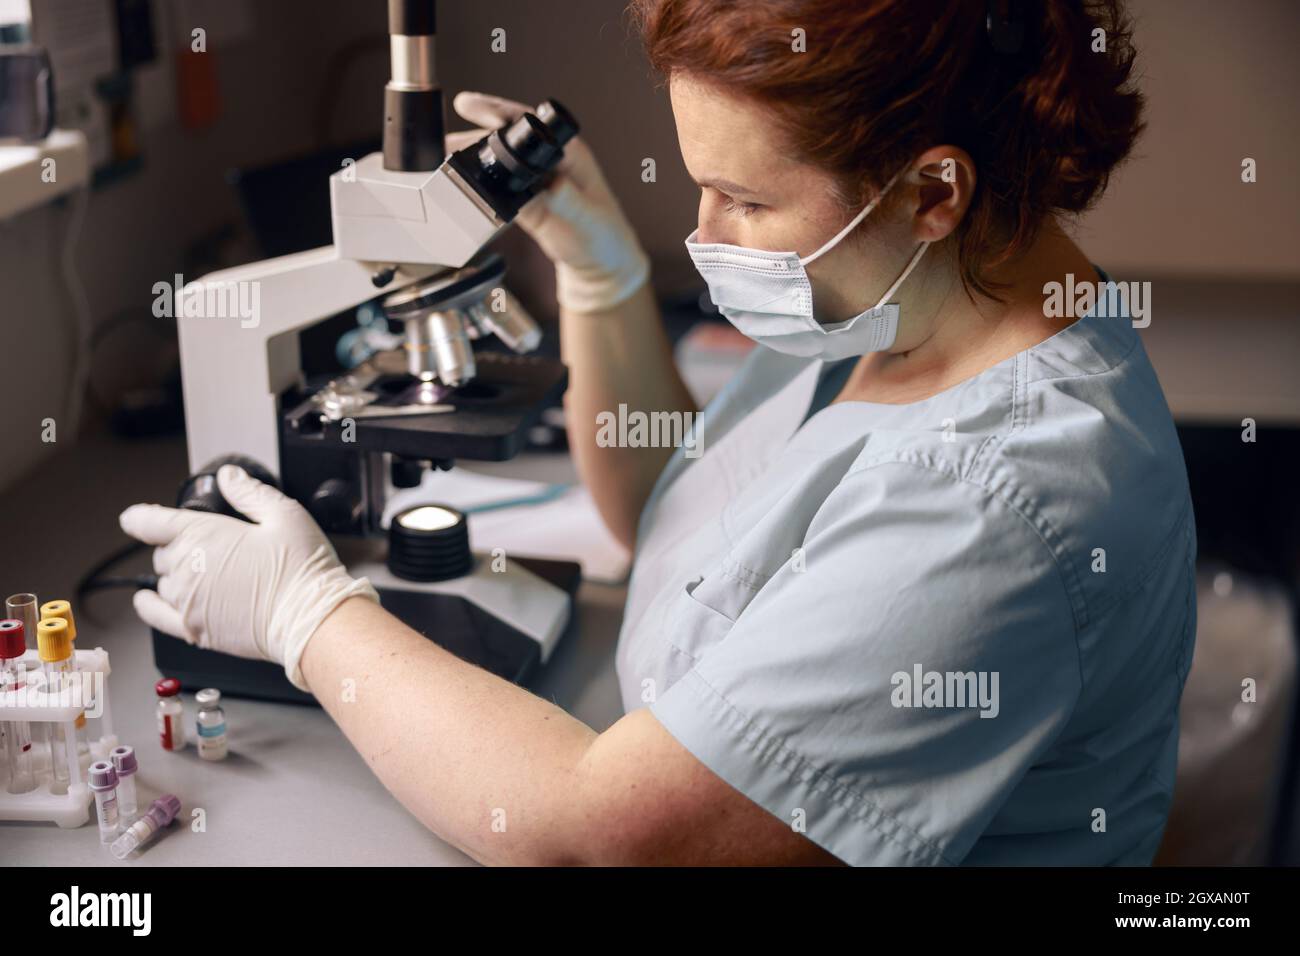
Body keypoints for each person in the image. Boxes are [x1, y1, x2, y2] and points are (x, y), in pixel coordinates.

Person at [120, 0, 1195, 865]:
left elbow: (605, 834)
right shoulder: (902, 298)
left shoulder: (995, 498)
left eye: (740, 197)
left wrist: (311, 616)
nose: (703, 231)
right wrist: (601, 276)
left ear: (930, 191)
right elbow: (676, 528)